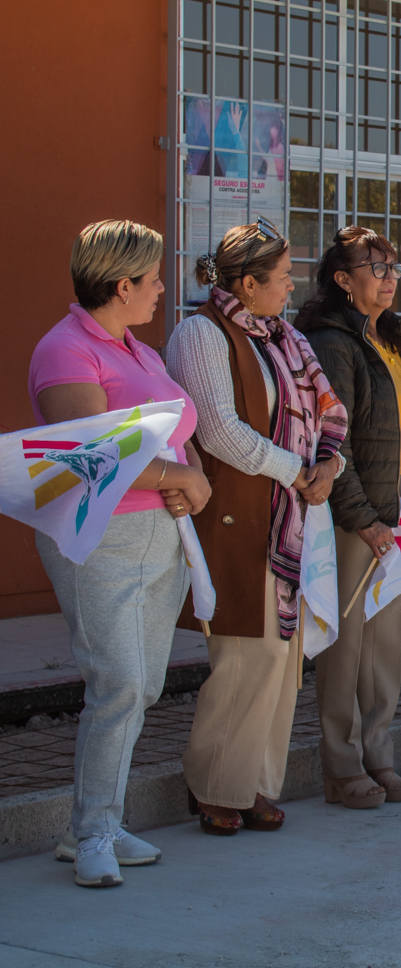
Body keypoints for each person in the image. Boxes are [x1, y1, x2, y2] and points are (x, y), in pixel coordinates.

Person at [30, 220, 210, 887]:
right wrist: (178, 478)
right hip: (97, 538)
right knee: (120, 683)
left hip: (160, 535)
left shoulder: (137, 350)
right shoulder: (66, 350)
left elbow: (172, 433)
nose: (164, 288)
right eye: (155, 278)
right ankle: (93, 830)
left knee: (146, 683)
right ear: (123, 283)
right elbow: (87, 455)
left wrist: (189, 479)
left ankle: (100, 824)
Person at [166, 219, 348, 836]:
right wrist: (299, 472)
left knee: (282, 658)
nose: (291, 285)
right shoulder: (200, 333)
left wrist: (329, 464)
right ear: (246, 284)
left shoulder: (284, 339)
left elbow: (327, 412)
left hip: (286, 518)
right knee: (246, 653)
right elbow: (218, 430)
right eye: (281, 276)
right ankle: (216, 784)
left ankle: (254, 784)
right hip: (236, 517)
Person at [296, 227, 401, 808]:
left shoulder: (389, 334)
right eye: (377, 268)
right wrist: (363, 518)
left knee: (384, 645)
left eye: (394, 268)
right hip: (355, 516)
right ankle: (341, 765)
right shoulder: (332, 342)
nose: (391, 278)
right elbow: (332, 444)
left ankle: (379, 758)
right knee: (346, 647)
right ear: (343, 280)